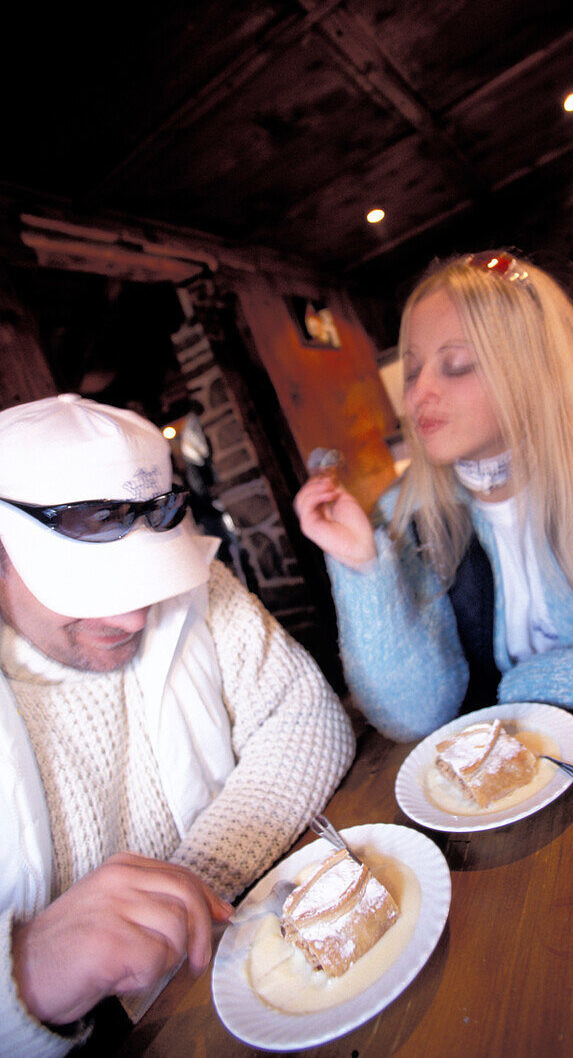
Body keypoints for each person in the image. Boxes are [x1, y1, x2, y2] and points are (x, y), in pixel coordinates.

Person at [0, 394, 355, 1054]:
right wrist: (21, 974)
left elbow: (307, 719)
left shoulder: (197, 580)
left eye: (149, 581)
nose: (136, 619)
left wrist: (189, 887)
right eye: (91, 588)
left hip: (235, 988)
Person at [295, 250, 573, 742]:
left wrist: (528, 684)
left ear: (532, 372)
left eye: (456, 365)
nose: (416, 397)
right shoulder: (408, 510)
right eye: (412, 371)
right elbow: (411, 717)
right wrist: (363, 566)